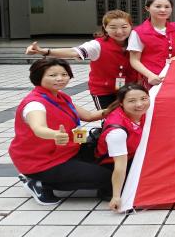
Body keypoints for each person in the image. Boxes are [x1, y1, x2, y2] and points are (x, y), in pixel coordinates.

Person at [10, 58, 111, 206]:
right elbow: (38, 128)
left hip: (67, 151)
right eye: (52, 75)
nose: (60, 79)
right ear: (38, 77)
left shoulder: (61, 96)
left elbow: (89, 116)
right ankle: (39, 183)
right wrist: (54, 134)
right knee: (108, 177)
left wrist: (123, 107)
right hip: (42, 161)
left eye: (64, 74)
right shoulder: (35, 104)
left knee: (111, 161)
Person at [26, 10, 138, 110]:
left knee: (132, 118)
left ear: (131, 26)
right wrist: (45, 51)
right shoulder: (97, 45)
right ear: (105, 27)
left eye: (124, 27)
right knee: (109, 119)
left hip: (131, 89)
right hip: (104, 91)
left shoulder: (137, 42)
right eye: (113, 27)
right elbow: (73, 52)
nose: (119, 32)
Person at [95, 84, 149, 211]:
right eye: (132, 101)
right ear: (121, 103)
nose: (140, 104)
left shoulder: (141, 113)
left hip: (131, 155)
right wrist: (116, 196)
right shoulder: (117, 132)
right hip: (112, 164)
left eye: (144, 98)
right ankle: (108, 190)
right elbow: (120, 167)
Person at [128, 0, 175, 88]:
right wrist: (150, 75)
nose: (163, 10)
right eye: (158, 6)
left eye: (167, 7)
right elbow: (134, 60)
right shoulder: (138, 32)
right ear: (147, 8)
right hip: (152, 79)